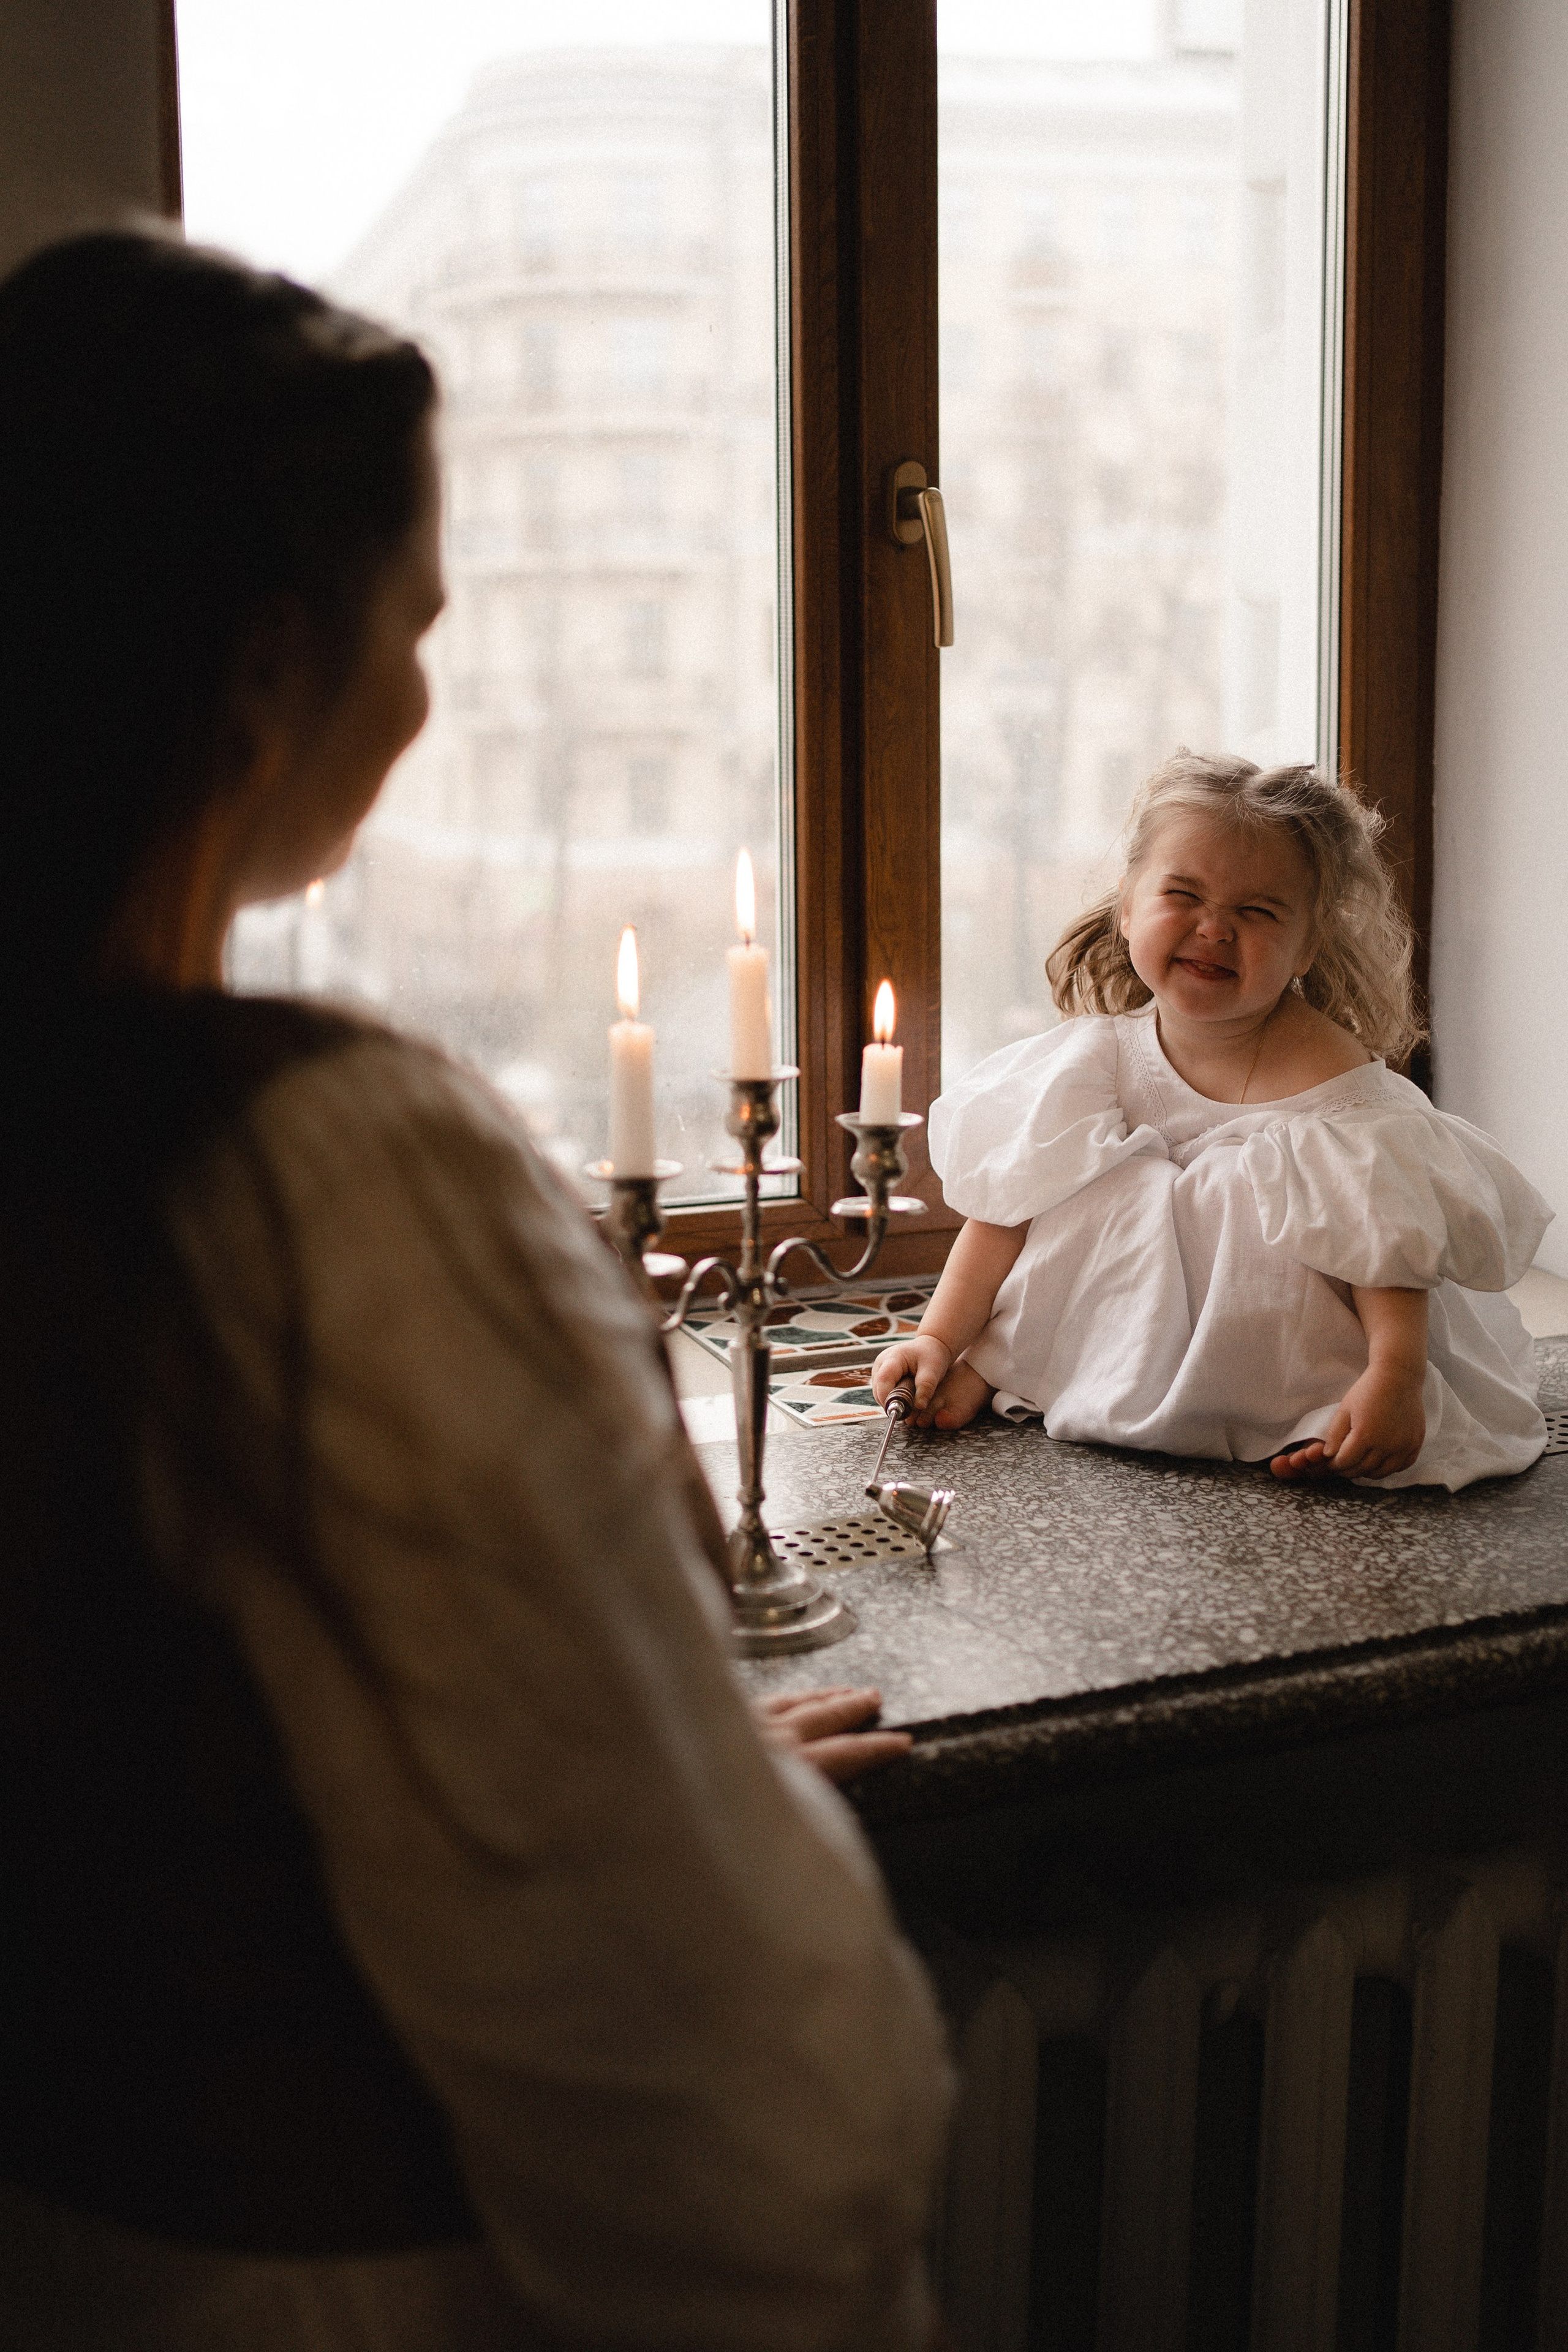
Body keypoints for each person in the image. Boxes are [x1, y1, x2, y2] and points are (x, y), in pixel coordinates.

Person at [0, 228, 949, 2351]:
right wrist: (700, 1816)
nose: (426, 699)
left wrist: (651, 1760)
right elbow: (708, 2083)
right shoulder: (317, 1186)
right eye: (412, 627)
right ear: (262, 664)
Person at [873, 752, 1551, 1491]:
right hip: (1129, 1322)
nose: (1214, 928)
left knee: (1234, 1199)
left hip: (1281, 1341)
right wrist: (939, 1334)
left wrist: (1395, 1376)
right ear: (1128, 906)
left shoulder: (1330, 1084)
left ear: (1309, 945)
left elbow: (1382, 1246)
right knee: (1097, 1188)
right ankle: (1013, 1362)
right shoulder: (1095, 1064)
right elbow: (1003, 1218)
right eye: (1183, 895)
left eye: (1257, 912)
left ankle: (1319, 1411)